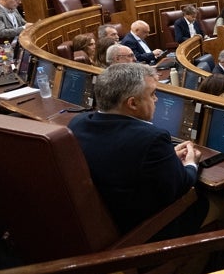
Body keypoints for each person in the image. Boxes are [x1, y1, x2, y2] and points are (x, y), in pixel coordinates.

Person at [69, 64, 208, 237]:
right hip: (142, 230)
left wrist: (167, 157)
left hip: (100, 218)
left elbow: (120, 161)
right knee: (213, 200)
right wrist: (191, 164)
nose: (156, 99)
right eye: (152, 94)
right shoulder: (152, 138)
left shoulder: (78, 123)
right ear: (133, 103)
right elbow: (181, 186)